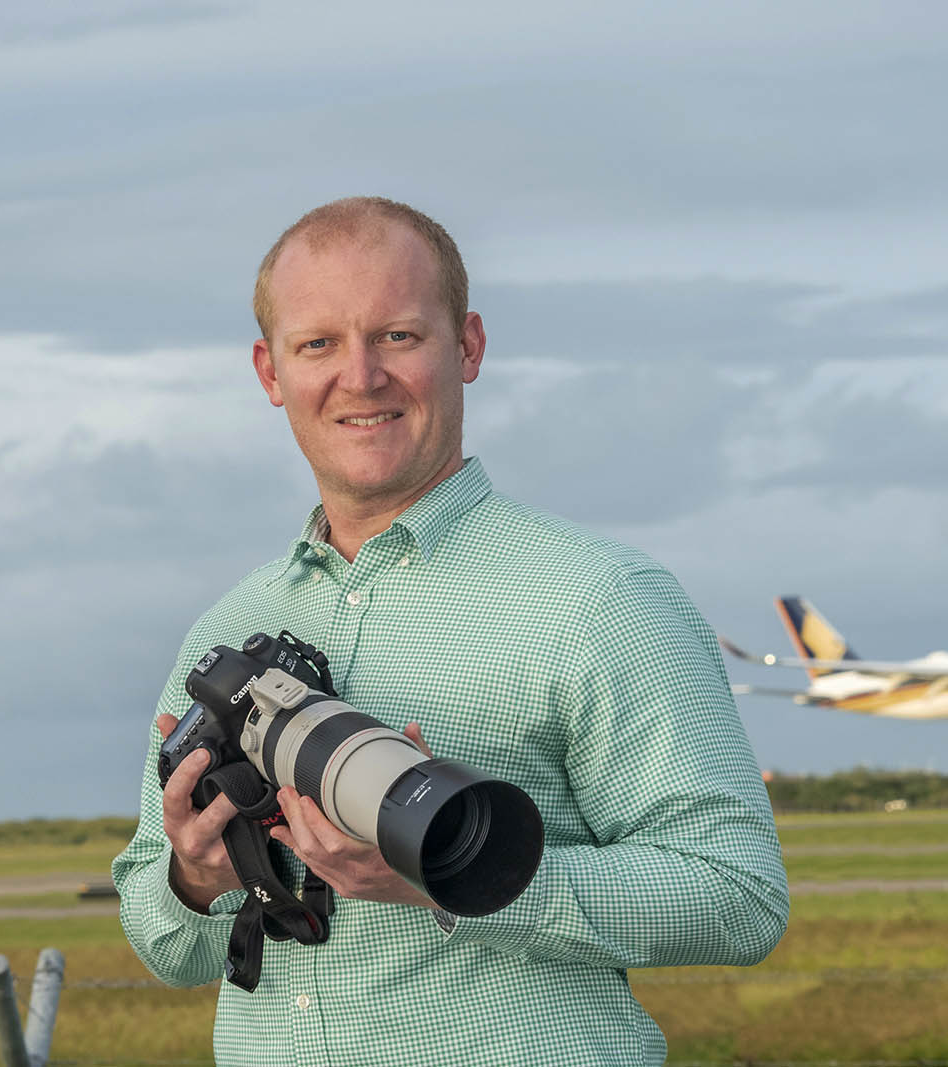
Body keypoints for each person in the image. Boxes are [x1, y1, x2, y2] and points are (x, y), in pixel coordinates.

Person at [112, 197, 790, 1066]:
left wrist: (458, 878)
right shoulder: (229, 630)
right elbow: (168, 946)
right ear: (269, 371)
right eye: (318, 343)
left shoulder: (601, 599)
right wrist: (198, 874)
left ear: (467, 345)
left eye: (398, 335)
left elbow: (737, 895)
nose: (359, 377)